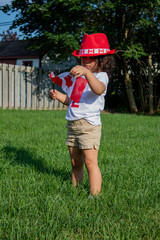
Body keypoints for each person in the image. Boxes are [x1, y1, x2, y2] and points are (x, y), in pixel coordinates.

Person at [49, 33, 115, 196]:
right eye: (83, 58)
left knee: (90, 162)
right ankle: (75, 190)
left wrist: (87, 73)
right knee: (75, 161)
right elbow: (73, 100)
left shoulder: (100, 76)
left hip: (89, 125)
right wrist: (58, 96)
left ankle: (95, 196)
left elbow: (99, 89)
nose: (85, 61)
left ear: (104, 60)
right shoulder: (79, 78)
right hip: (73, 125)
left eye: (90, 58)